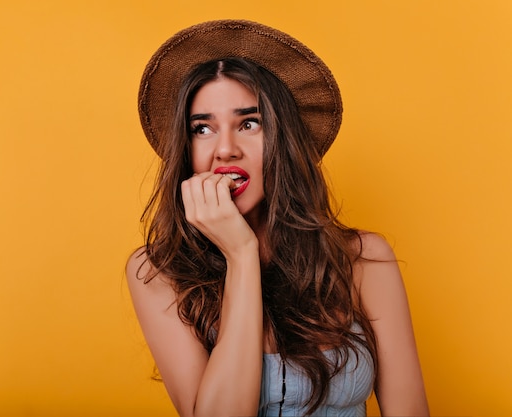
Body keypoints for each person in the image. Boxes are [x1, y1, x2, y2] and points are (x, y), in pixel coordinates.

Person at [126, 20, 428, 417]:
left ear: (282, 139)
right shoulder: (156, 272)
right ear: (187, 151)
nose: (225, 150)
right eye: (203, 129)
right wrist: (241, 254)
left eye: (249, 123)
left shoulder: (364, 259)